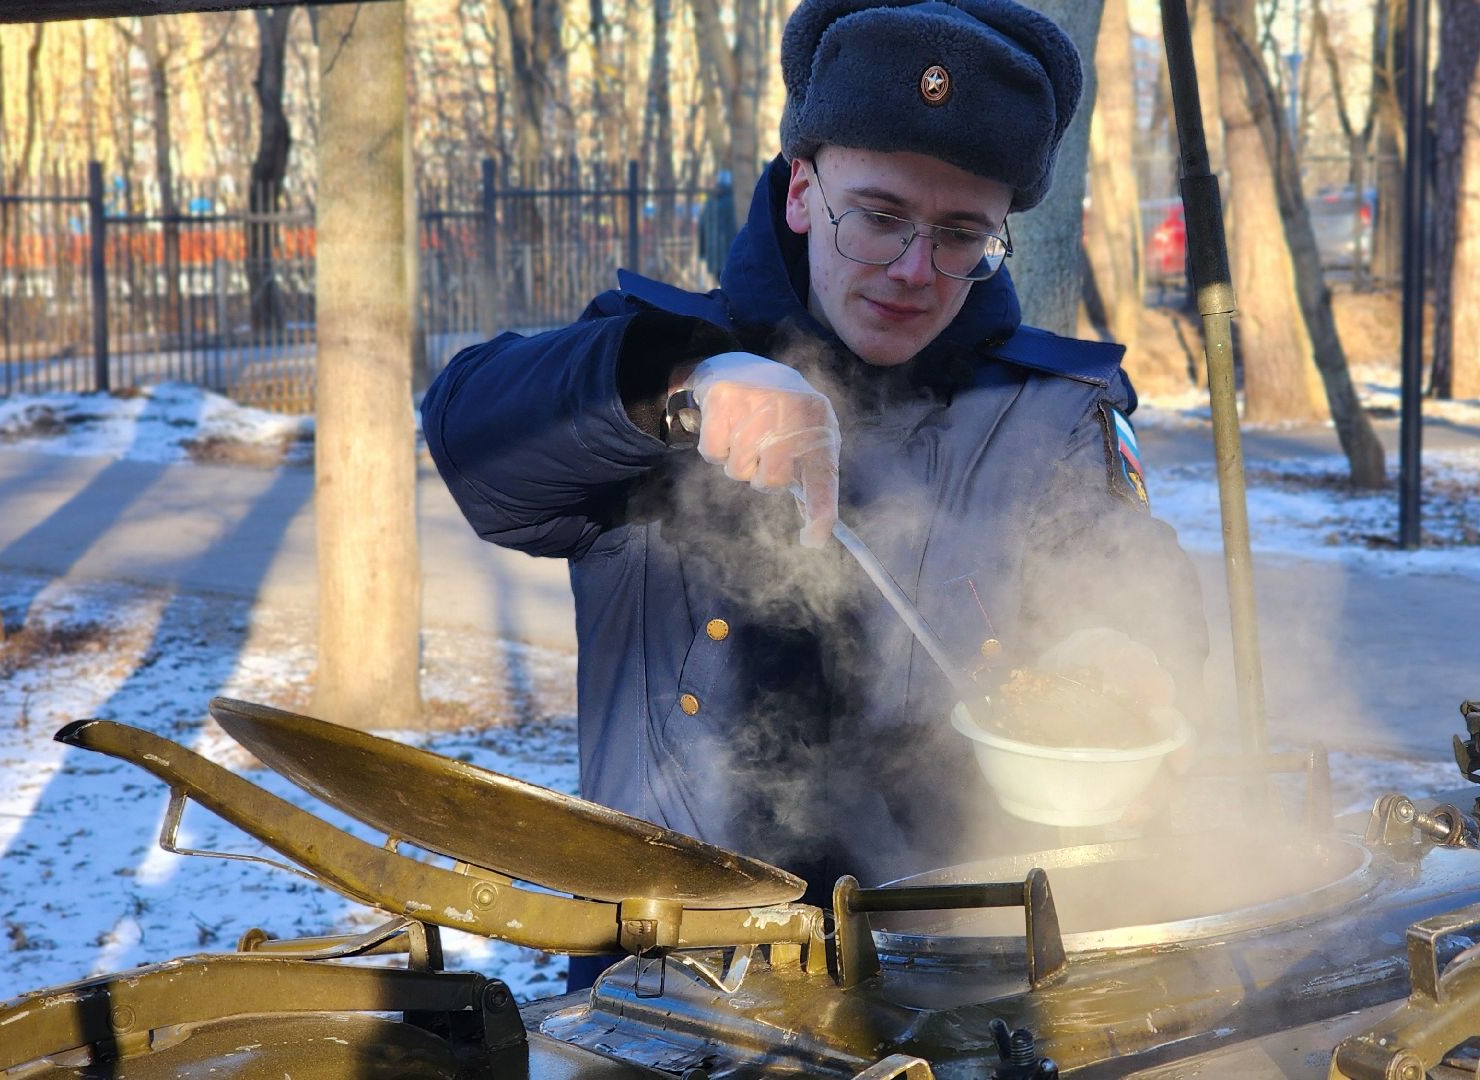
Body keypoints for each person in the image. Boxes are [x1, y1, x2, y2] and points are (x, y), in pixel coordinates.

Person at [421, 0, 1210, 984]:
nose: (914, 271)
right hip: (675, 993)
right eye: (878, 217)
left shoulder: (1043, 409)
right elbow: (468, 434)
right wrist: (675, 386)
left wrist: (1131, 649)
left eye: (961, 234)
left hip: (956, 990)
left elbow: (1129, 566)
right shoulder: (656, 358)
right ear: (802, 189)